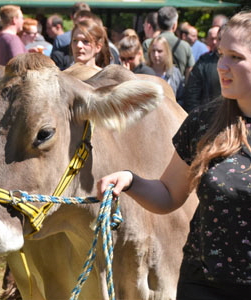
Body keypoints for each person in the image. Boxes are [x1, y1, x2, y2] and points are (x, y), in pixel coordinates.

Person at [97, 10, 251, 300]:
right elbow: (169, 194)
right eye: (221, 54)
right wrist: (130, 180)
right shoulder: (204, 122)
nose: (222, 66)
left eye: (236, 57)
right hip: (204, 284)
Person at [182, 26, 224, 112]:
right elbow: (192, 94)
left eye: (220, 39)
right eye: (217, 39)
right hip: (208, 117)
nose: (216, 42)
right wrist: (195, 118)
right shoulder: (203, 61)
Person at [50, 2, 91, 70]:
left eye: (86, 41)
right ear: (72, 17)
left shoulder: (98, 38)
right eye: (75, 40)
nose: (79, 45)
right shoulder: (61, 40)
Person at [157, 6, 194, 80]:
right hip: (177, 89)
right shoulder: (185, 46)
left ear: (158, 24)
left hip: (155, 88)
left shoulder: (148, 44)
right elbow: (189, 71)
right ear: (174, 25)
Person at [147, 36, 184, 103]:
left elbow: (181, 98)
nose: (156, 55)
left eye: (159, 51)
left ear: (167, 52)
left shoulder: (174, 73)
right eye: (153, 51)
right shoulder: (144, 72)